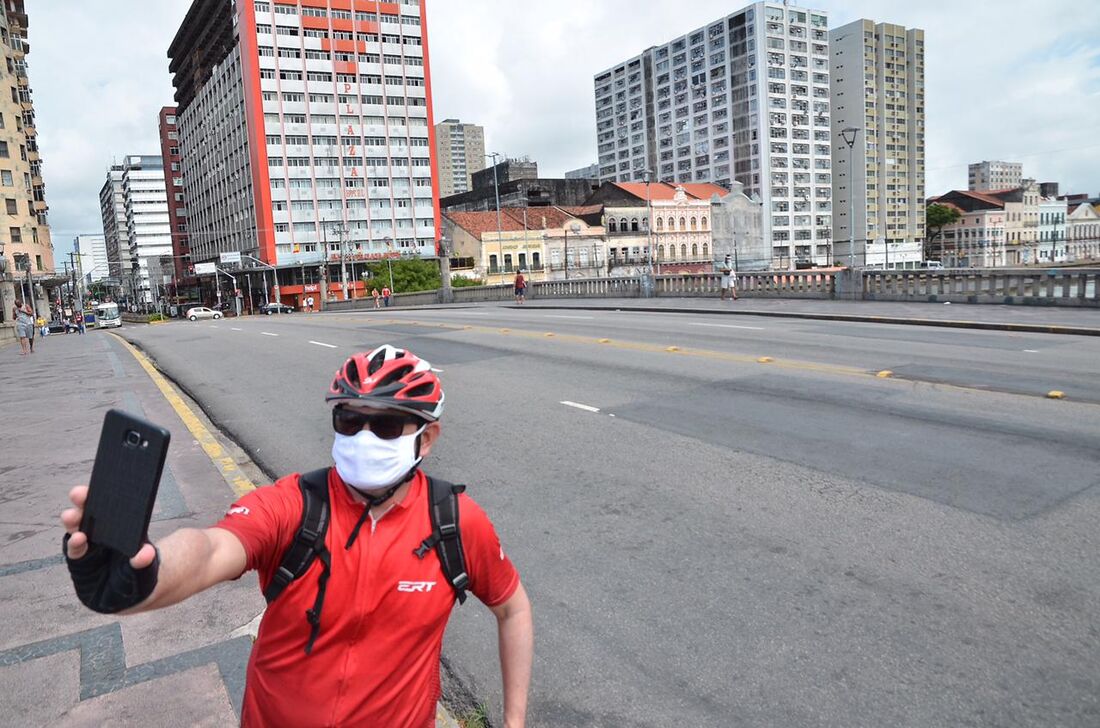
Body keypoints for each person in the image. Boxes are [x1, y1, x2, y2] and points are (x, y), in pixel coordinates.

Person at [60, 345, 533, 727]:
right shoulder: (295, 505)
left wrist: (513, 721)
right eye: (350, 420)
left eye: (386, 424)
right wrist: (146, 575)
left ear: (425, 439)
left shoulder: (454, 522)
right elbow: (211, 549)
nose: (364, 437)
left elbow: (512, 607)